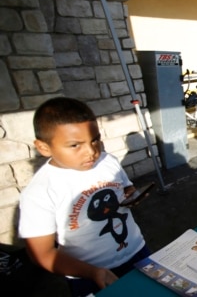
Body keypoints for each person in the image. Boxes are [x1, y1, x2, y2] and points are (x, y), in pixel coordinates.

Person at [18, 97, 151, 297]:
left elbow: (125, 188)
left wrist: (132, 196)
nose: (91, 151)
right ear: (44, 147)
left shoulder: (108, 161)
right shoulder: (39, 192)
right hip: (89, 274)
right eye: (75, 145)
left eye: (95, 139)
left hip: (137, 252)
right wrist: (92, 272)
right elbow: (41, 254)